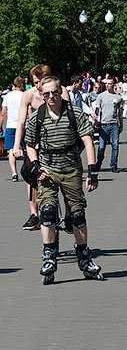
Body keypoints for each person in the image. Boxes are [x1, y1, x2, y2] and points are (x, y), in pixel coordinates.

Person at [23, 76, 102, 283]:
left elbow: (87, 139)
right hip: (47, 170)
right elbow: (30, 144)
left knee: (77, 214)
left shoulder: (74, 113)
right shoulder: (36, 117)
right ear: (41, 94)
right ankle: (49, 256)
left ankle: (84, 257)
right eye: (46, 93)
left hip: (71, 169)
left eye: (54, 92)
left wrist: (92, 171)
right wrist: (36, 166)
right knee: (47, 212)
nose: (51, 96)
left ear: (61, 92)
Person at [14, 65, 72, 231]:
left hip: (59, 141)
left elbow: (70, 116)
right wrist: (17, 145)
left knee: (67, 178)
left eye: (40, 81)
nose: (38, 85)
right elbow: (21, 122)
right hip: (36, 143)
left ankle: (69, 214)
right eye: (35, 82)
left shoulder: (60, 92)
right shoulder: (28, 95)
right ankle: (34, 214)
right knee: (30, 172)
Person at [94, 78, 124, 174]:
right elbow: (97, 109)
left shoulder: (118, 97)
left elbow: (120, 111)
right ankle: (99, 163)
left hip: (114, 124)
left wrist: (121, 123)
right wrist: (96, 121)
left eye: (110, 84)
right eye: (107, 84)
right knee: (101, 147)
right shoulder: (101, 96)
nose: (108, 85)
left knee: (115, 145)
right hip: (103, 124)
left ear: (114, 85)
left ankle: (113, 165)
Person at [3, 77, 26, 181]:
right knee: (27, 148)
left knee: (11, 150)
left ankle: (14, 173)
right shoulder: (24, 95)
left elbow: (3, 113)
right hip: (22, 125)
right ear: (21, 85)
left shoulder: (7, 96)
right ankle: (28, 170)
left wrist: (0, 125)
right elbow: (29, 111)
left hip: (11, 125)